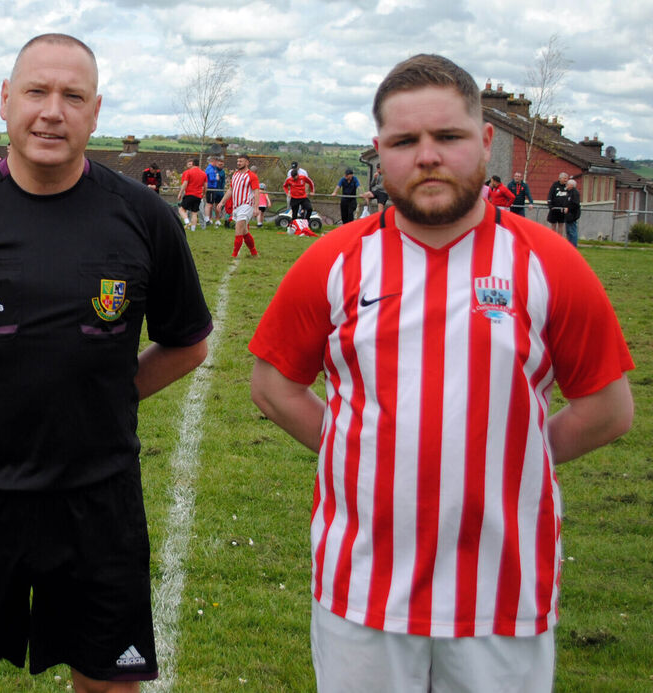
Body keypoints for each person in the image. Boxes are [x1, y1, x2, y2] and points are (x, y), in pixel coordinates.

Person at [247, 53, 633, 693]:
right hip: (361, 588)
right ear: (379, 153)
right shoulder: (331, 262)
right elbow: (273, 386)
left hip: (501, 595)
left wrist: (507, 456)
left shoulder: (551, 264)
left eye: (448, 137)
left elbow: (609, 409)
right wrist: (365, 450)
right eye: (405, 141)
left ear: (484, 142)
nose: (427, 156)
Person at [0, 33, 212, 693]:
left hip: (97, 496)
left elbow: (189, 341)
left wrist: (112, 392)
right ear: (5, 101)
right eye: (36, 91)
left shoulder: (144, 217)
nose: (52, 111)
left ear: (96, 110)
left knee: (110, 682)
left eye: (72, 96)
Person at [220, 153, 259, 257]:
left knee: (238, 228)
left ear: (247, 162)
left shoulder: (252, 176)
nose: (238, 163)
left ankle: (234, 255)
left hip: (247, 205)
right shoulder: (236, 175)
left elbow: (256, 192)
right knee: (244, 231)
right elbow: (231, 190)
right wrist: (222, 202)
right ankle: (254, 252)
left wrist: (256, 207)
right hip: (236, 206)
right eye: (238, 161)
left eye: (241, 161)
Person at [178, 157, 207, 230]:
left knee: (181, 209)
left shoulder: (188, 172)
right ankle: (193, 229)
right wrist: (203, 194)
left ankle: (187, 222)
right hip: (198, 196)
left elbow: (185, 183)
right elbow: (205, 186)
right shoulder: (203, 173)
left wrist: (180, 193)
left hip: (189, 194)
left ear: (193, 164)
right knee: (194, 213)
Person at [203, 155, 227, 226]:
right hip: (213, 190)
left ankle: (217, 219)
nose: (220, 165)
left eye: (222, 164)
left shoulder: (223, 172)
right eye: (219, 163)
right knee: (210, 204)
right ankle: (209, 219)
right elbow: (211, 178)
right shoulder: (213, 169)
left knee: (218, 205)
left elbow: (223, 181)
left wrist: (222, 190)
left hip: (220, 191)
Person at [547, 171, 570, 236]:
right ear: (560, 178)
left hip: (562, 210)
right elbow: (550, 195)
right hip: (554, 209)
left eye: (566, 178)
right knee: (553, 224)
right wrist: (550, 205)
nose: (566, 180)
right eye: (564, 178)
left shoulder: (567, 186)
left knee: (561, 225)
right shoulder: (555, 185)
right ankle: (553, 238)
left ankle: (560, 238)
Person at [565, 177, 581, 247]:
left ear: (571, 185)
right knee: (568, 231)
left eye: (568, 184)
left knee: (572, 231)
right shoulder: (569, 192)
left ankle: (573, 245)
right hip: (568, 215)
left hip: (573, 215)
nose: (567, 186)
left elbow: (575, 204)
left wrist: (568, 208)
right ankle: (569, 244)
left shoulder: (575, 193)